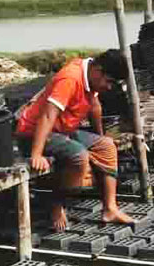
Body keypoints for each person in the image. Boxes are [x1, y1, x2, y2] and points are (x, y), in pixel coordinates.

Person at [15, 49, 134, 232]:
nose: (109, 87)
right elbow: (47, 116)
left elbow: (95, 107)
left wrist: (99, 136)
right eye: (109, 81)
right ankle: (56, 203)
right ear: (98, 70)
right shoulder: (70, 79)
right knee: (79, 156)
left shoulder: (90, 76)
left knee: (107, 146)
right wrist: (36, 154)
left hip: (63, 130)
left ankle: (110, 208)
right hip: (34, 133)